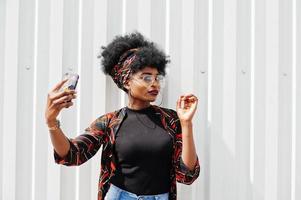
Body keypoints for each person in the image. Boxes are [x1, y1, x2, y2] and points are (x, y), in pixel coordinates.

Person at [45, 32, 200, 200]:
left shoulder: (170, 120)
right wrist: (52, 122)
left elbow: (187, 174)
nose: (154, 83)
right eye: (146, 77)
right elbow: (72, 155)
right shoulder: (110, 122)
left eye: (157, 77)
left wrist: (186, 124)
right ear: (126, 81)